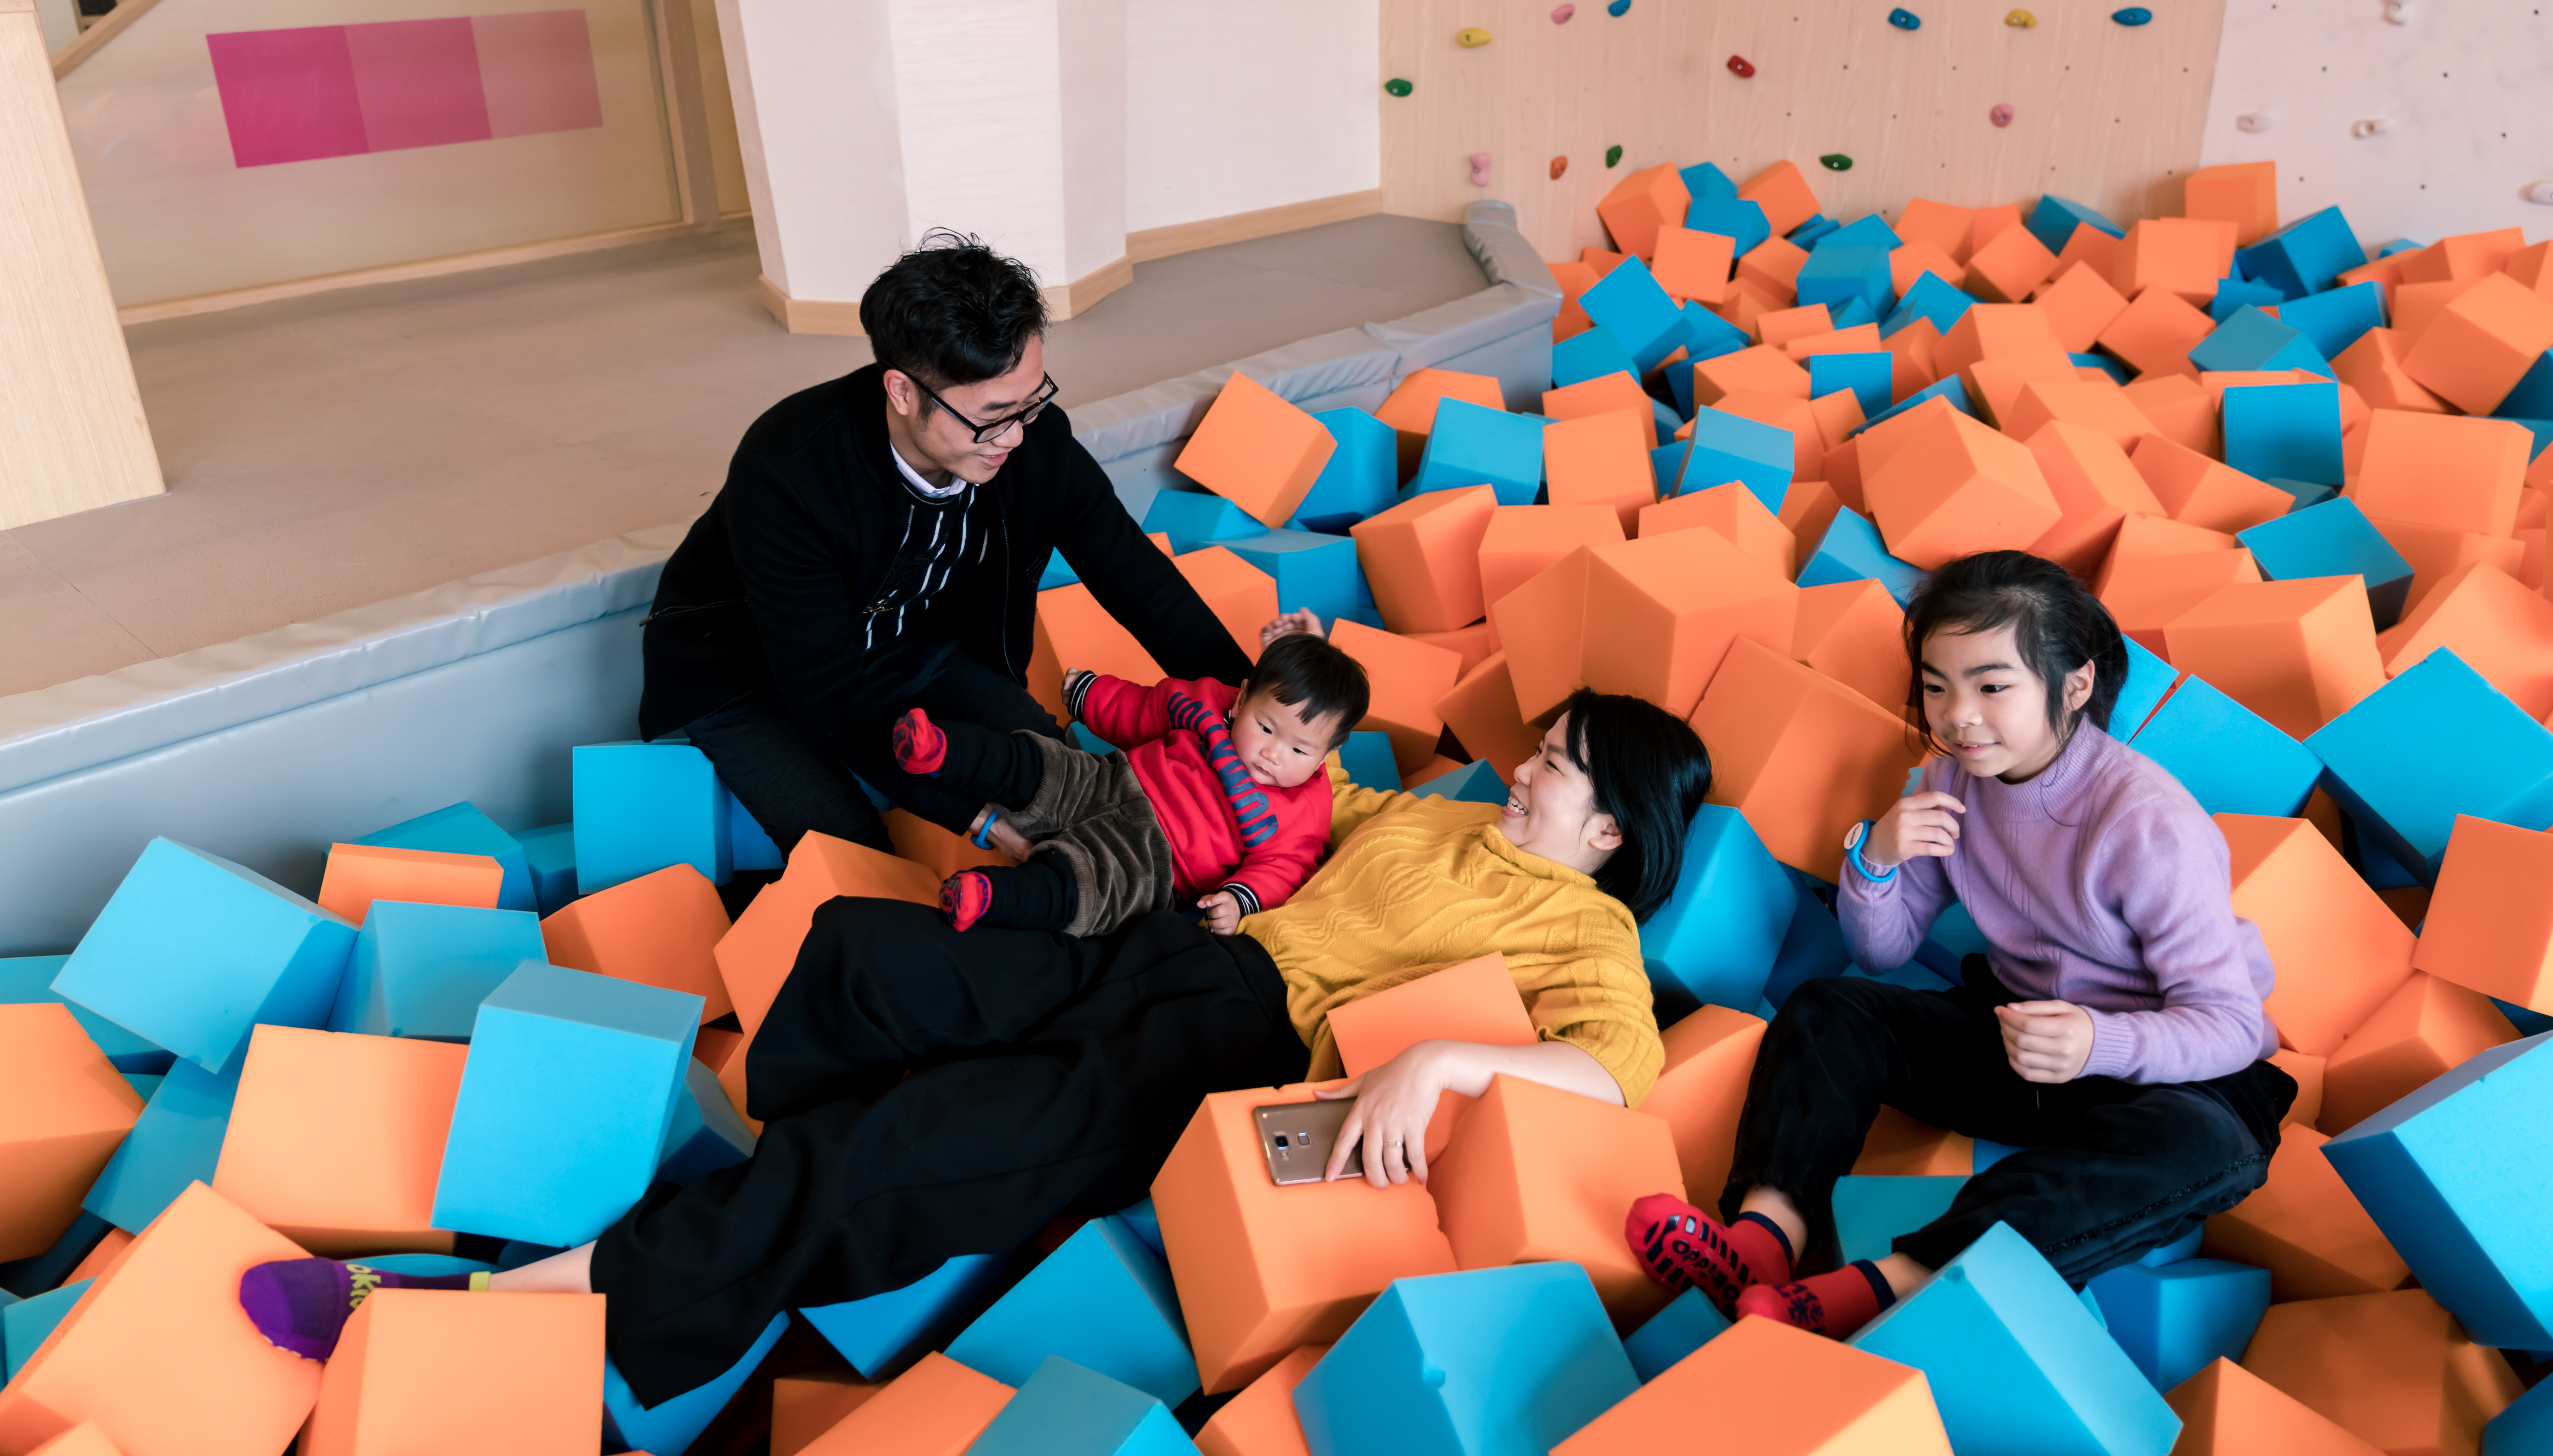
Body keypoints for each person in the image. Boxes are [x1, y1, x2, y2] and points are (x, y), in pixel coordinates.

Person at [240, 691, 1714, 1408]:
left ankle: (491, 1304)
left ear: (1613, 830)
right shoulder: (1443, 812)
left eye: (1565, 764)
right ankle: (773, 1247)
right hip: (1160, 945)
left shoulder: (1585, 940)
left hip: (1225, 1047)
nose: (1529, 763)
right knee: (858, 959)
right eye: (1546, 745)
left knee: (894, 1151)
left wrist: (1439, 1068)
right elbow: (1271, 808)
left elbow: (1620, 1079)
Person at [1628, 549, 2294, 1342]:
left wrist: (2097, 1041)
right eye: (1937, 686)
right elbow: (1880, 952)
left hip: (2165, 1073)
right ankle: (1764, 1242)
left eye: (1992, 686)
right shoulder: (1949, 782)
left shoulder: (2150, 825)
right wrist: (1877, 858)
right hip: (2017, 1040)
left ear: (2074, 685)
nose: (1958, 716)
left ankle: (1878, 1289)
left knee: (2203, 1148)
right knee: (1831, 1009)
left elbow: (2228, 1023)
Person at [639, 231, 1251, 866]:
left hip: (908, 648)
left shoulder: (1029, 442)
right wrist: (976, 818)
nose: (1013, 437)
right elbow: (828, 694)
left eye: (1031, 402)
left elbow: (1133, 572)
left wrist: (1257, 706)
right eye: (991, 416)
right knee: (861, 860)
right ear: (903, 393)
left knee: (1074, 786)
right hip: (747, 675)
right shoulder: (791, 471)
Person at [895, 616, 1371, 936]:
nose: (1272, 752)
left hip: (1152, 861)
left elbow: (1284, 867)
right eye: (1265, 727)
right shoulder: (1208, 704)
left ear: (1329, 752)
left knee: (1081, 889)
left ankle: (989, 897)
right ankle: (941, 749)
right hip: (1111, 779)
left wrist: (1240, 899)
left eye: (1298, 749)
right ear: (1242, 698)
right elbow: (1146, 709)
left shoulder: (1304, 809)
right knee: (1039, 762)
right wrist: (1089, 694)